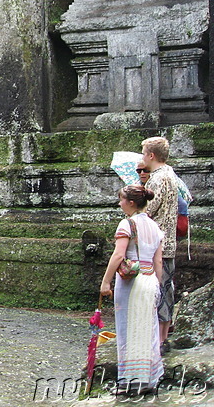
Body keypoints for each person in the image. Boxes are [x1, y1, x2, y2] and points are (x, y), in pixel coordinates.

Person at [100, 185, 164, 396]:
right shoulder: (155, 227)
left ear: (131, 203)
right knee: (148, 329)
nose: (120, 204)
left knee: (127, 328)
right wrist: (157, 285)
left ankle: (128, 381)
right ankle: (149, 379)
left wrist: (106, 281)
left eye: (121, 200)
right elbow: (158, 261)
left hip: (131, 282)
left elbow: (118, 256)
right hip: (150, 281)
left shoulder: (127, 224)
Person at [141, 136, 178, 349]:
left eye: (144, 153)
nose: (143, 157)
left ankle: (160, 338)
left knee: (159, 290)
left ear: (151, 155)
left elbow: (148, 209)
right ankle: (163, 335)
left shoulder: (157, 178)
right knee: (166, 289)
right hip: (168, 242)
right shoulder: (170, 174)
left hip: (156, 245)